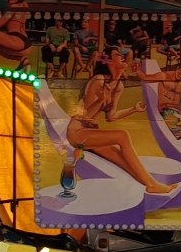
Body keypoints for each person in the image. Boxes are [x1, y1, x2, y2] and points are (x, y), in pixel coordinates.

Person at [50, 47, 174, 196]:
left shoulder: (118, 86)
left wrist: (133, 109)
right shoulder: (99, 80)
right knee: (122, 135)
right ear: (108, 61)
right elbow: (85, 115)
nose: (122, 56)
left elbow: (111, 116)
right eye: (117, 54)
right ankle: (152, 184)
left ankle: (151, 185)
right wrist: (100, 100)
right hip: (77, 131)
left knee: (122, 158)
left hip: (92, 133)